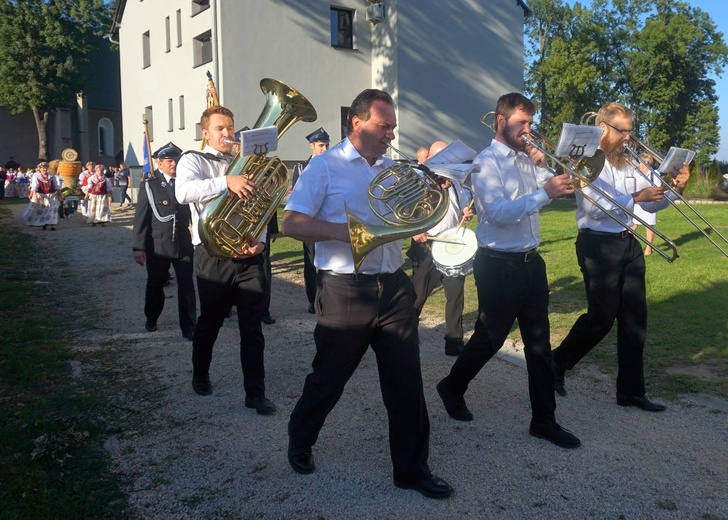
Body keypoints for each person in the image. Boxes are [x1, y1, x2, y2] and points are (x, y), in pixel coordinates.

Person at [283, 89, 454, 499]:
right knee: (329, 378)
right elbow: (291, 223)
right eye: (383, 126)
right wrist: (347, 233)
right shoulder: (325, 167)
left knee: (406, 381)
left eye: (392, 127)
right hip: (344, 289)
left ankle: (411, 469)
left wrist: (433, 194)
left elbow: (416, 218)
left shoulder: (395, 167)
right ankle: (300, 439)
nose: (390, 135)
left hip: (393, 286)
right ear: (357, 123)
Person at [436, 92, 581, 449]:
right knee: (491, 338)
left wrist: (544, 168)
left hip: (532, 262)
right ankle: (452, 385)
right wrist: (544, 192)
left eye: (531, 123)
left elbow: (560, 188)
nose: (529, 131)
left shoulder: (527, 158)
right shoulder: (485, 163)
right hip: (498, 263)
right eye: (523, 123)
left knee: (539, 344)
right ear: (502, 122)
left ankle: (544, 420)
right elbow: (499, 213)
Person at [551, 102, 690, 411]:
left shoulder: (629, 163)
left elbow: (650, 206)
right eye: (623, 131)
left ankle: (630, 392)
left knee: (634, 320)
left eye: (630, 131)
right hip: (597, 245)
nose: (629, 138)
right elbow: (592, 208)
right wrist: (635, 197)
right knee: (601, 318)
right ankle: (556, 363)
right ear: (604, 128)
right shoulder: (585, 161)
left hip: (628, 243)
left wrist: (674, 188)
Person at [175, 105, 276, 416]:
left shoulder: (245, 162)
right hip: (213, 255)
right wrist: (226, 181)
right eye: (220, 128)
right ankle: (200, 373)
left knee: (252, 327)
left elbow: (261, 206)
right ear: (205, 132)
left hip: (248, 257)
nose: (228, 134)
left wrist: (258, 243)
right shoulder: (193, 159)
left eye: (230, 128)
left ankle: (255, 394)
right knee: (211, 322)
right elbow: (183, 193)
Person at [407, 140, 474, 356]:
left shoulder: (453, 183)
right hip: (427, 245)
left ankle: (454, 341)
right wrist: (414, 230)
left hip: (451, 244)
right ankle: (406, 334)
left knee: (455, 295)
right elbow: (405, 211)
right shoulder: (419, 182)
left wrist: (466, 212)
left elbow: (462, 204)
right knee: (418, 294)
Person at [132, 142, 196, 340]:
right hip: (158, 244)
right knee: (156, 284)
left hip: (183, 242)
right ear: (159, 163)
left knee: (186, 285)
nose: (174, 164)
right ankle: (151, 317)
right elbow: (141, 218)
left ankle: (189, 327)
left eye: (176, 160)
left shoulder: (187, 183)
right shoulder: (150, 185)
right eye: (169, 161)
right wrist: (139, 247)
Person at [290, 127, 330, 314]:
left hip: (327, 222)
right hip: (309, 222)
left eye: (327, 145)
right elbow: (297, 197)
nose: (324, 149)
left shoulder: (334, 165)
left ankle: (327, 297)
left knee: (329, 260)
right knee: (310, 261)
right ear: (311, 146)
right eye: (321, 145)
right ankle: (312, 298)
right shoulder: (301, 168)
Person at [631, 152, 657, 256]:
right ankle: (630, 247)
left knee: (649, 226)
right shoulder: (635, 173)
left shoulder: (654, 173)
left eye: (647, 162)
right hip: (637, 201)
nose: (645, 163)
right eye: (642, 162)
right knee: (632, 225)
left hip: (650, 202)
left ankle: (648, 249)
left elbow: (657, 187)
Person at [24, 162, 61, 230]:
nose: (45, 170)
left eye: (46, 168)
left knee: (52, 209)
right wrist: (34, 195)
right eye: (43, 168)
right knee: (42, 209)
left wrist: (60, 194)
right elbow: (35, 186)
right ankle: (44, 223)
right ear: (40, 169)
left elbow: (56, 186)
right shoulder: (36, 176)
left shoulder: (51, 176)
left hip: (52, 194)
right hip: (41, 195)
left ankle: (52, 224)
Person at [261, 216, 278, 325]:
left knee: (264, 268)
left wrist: (274, 228)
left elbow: (271, 202)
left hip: (261, 225)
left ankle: (264, 311)